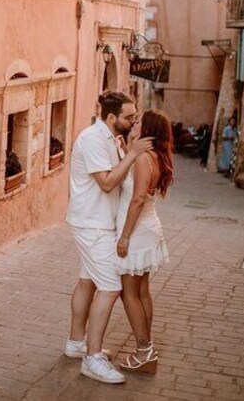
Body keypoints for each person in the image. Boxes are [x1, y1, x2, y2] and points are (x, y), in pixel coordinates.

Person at [65, 91, 153, 384]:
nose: (133, 121)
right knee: (111, 286)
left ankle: (76, 343)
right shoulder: (93, 139)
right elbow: (106, 183)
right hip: (93, 225)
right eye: (129, 117)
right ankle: (92, 359)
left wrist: (127, 150)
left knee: (87, 281)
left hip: (97, 222)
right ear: (112, 117)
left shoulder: (111, 139)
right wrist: (133, 154)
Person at [115, 110, 173, 374]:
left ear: (148, 128)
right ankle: (147, 348)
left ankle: (144, 352)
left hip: (137, 232)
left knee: (129, 293)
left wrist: (125, 236)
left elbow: (137, 199)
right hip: (149, 227)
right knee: (142, 291)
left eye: (138, 122)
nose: (134, 123)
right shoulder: (155, 156)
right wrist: (128, 147)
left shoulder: (143, 159)